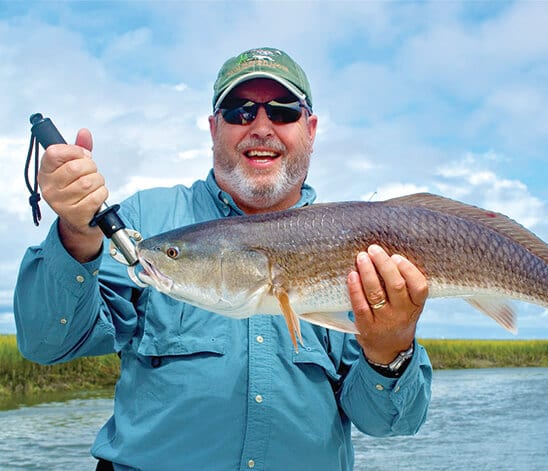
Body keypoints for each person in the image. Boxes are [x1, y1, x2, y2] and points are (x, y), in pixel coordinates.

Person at [14, 47, 432, 471]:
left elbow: (390, 424)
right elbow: (49, 343)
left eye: (284, 112)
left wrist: (391, 351)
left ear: (311, 128)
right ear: (214, 128)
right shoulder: (146, 222)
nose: (262, 127)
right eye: (239, 111)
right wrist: (76, 233)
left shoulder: (361, 239)